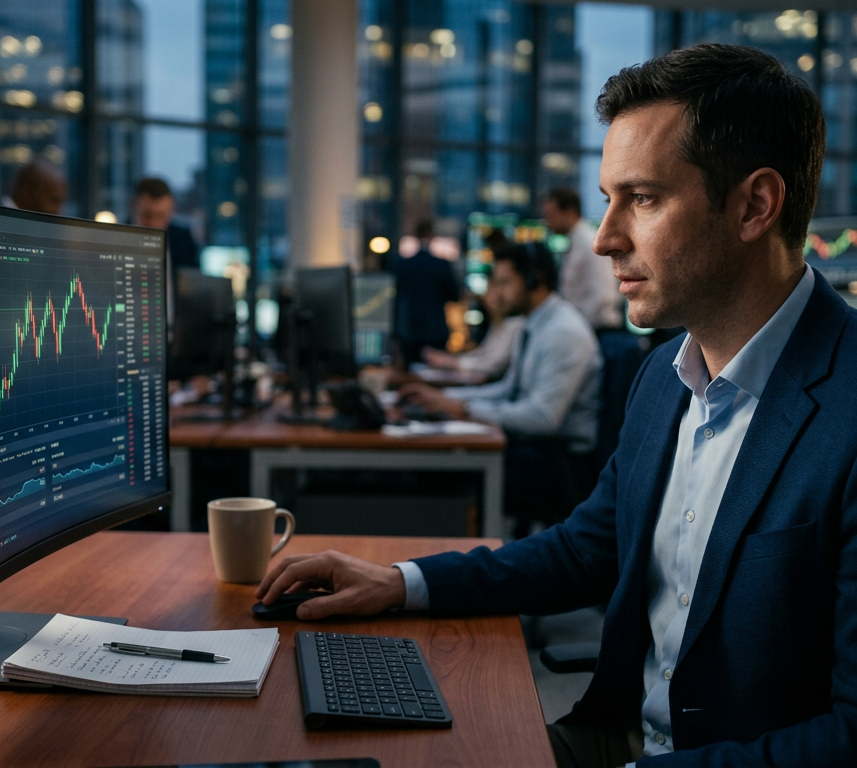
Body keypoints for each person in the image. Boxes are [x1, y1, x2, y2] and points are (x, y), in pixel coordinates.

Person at [256, 44, 857, 767]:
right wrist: (399, 583)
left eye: (642, 198)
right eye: (608, 200)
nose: (605, 240)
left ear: (755, 205)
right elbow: (586, 549)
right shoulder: (665, 377)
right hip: (615, 739)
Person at [401, 242, 601, 536]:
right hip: (536, 449)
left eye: (505, 282)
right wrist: (446, 400)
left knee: (446, 471)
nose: (497, 292)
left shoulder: (563, 332)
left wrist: (465, 409)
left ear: (535, 280)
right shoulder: (534, 325)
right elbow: (509, 389)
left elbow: (544, 418)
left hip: (559, 462)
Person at [543, 188, 623, 333]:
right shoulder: (576, 242)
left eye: (551, 214)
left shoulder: (589, 243)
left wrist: (580, 326)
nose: (547, 221)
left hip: (597, 330)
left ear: (569, 211)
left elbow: (603, 294)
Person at [420, 276, 526, 380]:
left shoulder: (514, 324)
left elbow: (493, 365)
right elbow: (483, 353)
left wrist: (452, 362)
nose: (484, 298)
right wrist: (450, 360)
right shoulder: (498, 322)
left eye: (488, 291)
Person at [392, 219, 461, 366]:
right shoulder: (441, 265)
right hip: (435, 330)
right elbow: (454, 296)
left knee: (410, 376)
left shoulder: (402, 264)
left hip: (409, 331)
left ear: (416, 236)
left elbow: (396, 299)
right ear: (431, 236)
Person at [131, 177, 200, 270]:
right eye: (147, 215)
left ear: (171, 211)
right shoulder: (116, 236)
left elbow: (191, 278)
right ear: (134, 206)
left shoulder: (183, 239)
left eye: (160, 216)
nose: (154, 223)